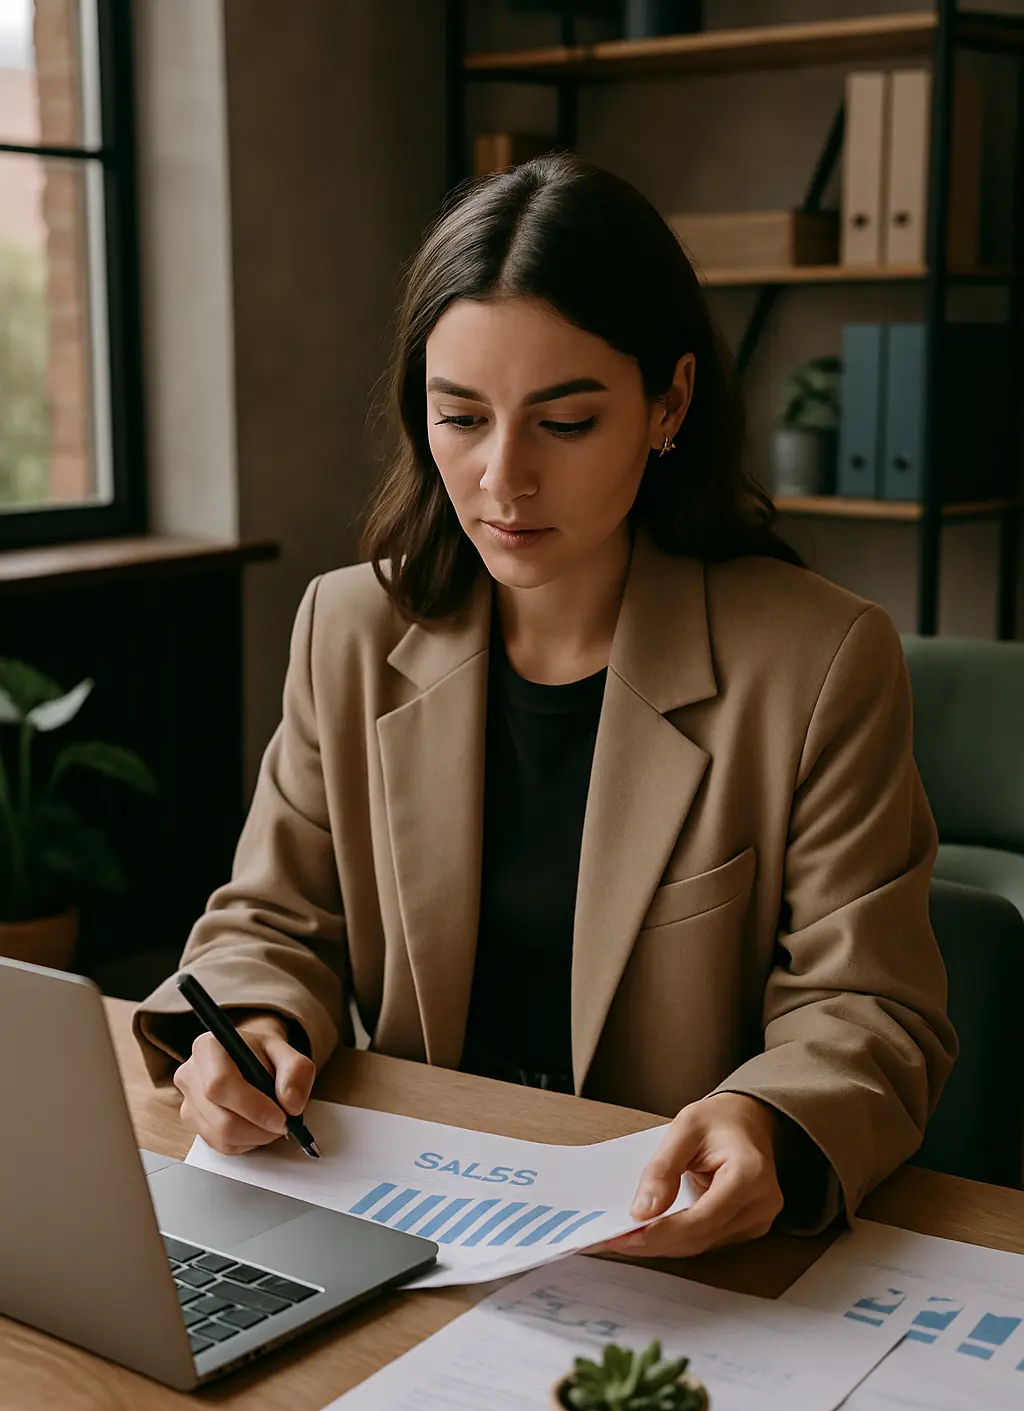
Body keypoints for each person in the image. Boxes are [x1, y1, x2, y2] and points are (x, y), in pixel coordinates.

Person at [133, 151, 956, 1258]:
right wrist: (256, 1029)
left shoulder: (817, 662)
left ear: (667, 402)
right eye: (460, 418)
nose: (502, 480)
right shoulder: (350, 628)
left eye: (563, 424)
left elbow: (870, 1005)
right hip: (411, 1213)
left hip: (667, 1246)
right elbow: (270, 921)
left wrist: (767, 1118)